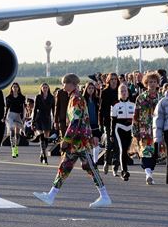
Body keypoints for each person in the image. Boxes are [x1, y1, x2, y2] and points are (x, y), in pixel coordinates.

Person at [33, 73, 111, 208]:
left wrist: (66, 139)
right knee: (65, 167)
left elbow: (76, 121)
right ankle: (51, 195)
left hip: (80, 141)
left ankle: (105, 196)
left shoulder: (76, 99)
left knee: (90, 167)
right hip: (76, 141)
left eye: (64, 83)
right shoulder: (73, 98)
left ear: (71, 84)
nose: (63, 86)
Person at [133, 72, 161, 185]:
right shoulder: (140, 98)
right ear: (146, 83)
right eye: (150, 82)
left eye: (154, 82)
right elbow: (135, 115)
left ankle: (150, 172)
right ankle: (148, 173)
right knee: (145, 152)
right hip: (144, 130)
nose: (152, 84)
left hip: (157, 130)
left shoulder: (161, 98)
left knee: (155, 154)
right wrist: (134, 130)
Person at [111, 84, 135, 182]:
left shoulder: (133, 104)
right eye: (121, 91)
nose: (123, 93)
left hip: (130, 128)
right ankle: (124, 171)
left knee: (130, 150)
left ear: (128, 92)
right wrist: (112, 134)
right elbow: (113, 121)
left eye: (125, 91)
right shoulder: (115, 104)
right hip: (119, 128)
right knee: (123, 149)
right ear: (119, 93)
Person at [100, 73, 120, 175]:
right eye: (111, 79)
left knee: (117, 145)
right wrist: (101, 123)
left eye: (115, 79)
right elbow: (101, 109)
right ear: (108, 80)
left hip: (119, 121)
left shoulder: (120, 91)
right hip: (108, 121)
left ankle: (115, 166)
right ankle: (106, 162)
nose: (113, 81)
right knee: (109, 143)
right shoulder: (104, 92)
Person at [33, 83, 55, 164]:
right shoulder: (38, 97)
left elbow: (53, 110)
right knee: (41, 137)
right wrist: (33, 121)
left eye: (46, 87)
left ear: (48, 88)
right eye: (43, 87)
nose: (45, 89)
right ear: (41, 88)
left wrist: (55, 120)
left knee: (46, 138)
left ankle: (42, 153)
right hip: (39, 118)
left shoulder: (51, 98)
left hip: (47, 118)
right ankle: (45, 157)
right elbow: (35, 109)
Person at [4, 82, 26, 158]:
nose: (15, 88)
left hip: (18, 115)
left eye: (16, 87)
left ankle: (16, 148)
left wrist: (23, 117)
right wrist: (4, 117)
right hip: (11, 115)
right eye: (14, 87)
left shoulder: (22, 97)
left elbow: (23, 108)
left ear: (18, 88)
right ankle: (13, 149)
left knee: (17, 133)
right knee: (12, 131)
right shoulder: (8, 97)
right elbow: (7, 108)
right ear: (12, 88)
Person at [83, 82, 101, 164]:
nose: (91, 90)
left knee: (96, 142)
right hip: (86, 124)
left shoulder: (96, 99)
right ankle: (87, 160)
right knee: (88, 143)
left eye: (92, 88)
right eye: (89, 88)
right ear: (86, 89)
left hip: (95, 123)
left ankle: (95, 161)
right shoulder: (83, 99)